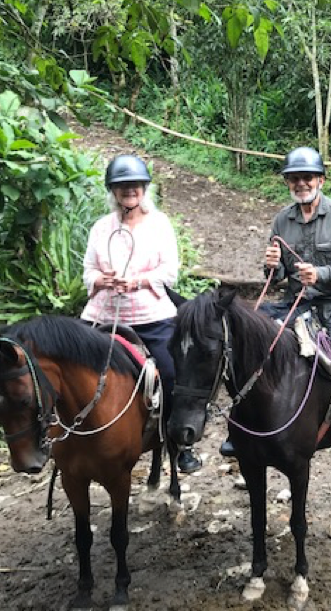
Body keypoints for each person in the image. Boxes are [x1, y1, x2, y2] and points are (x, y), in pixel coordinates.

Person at [220, 146, 331, 482]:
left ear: (320, 179)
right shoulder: (282, 219)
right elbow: (277, 276)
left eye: (307, 178)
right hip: (293, 304)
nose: (301, 183)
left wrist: (320, 275)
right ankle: (240, 430)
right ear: (288, 184)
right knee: (244, 346)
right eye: (294, 179)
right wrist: (271, 267)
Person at [81, 153, 202, 474]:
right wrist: (100, 280)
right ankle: (70, 438)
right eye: (122, 187)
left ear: (144, 189)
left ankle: (180, 445)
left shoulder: (159, 224)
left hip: (151, 315)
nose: (129, 191)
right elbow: (88, 270)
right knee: (71, 371)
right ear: (113, 191)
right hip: (103, 314)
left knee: (173, 373)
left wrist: (137, 281)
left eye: (134, 186)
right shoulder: (100, 227)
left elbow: (170, 272)